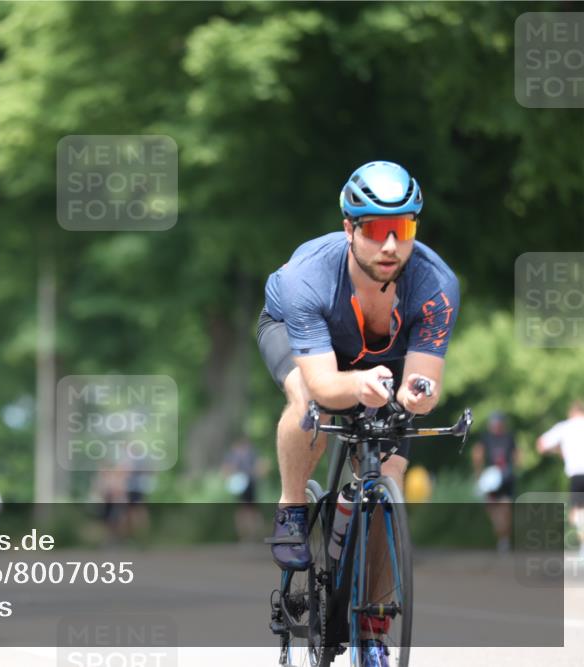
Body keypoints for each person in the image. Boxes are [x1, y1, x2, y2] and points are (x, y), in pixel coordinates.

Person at [256, 161, 460, 666]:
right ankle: (291, 509)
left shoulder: (436, 286)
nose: (390, 245)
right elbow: (327, 384)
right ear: (350, 229)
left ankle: (371, 631)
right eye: (374, 230)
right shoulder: (307, 278)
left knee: (389, 476)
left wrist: (416, 395)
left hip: (382, 361)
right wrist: (357, 386)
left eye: (403, 229)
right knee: (307, 401)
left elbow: (424, 382)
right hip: (303, 338)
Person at [536, 400, 584, 560]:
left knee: (577, 512)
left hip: (577, 474)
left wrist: (559, 450)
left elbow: (541, 445)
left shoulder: (565, 427)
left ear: (571, 412)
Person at [471, 411, 521, 552]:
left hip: (505, 478)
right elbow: (478, 454)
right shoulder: (486, 438)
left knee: (504, 509)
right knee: (494, 509)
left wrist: (514, 470)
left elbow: (516, 455)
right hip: (492, 479)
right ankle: (503, 537)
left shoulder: (508, 437)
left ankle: (503, 538)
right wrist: (479, 474)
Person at [221, 438, 268, 543]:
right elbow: (225, 470)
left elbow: (262, 467)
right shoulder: (233, 456)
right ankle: (246, 537)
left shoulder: (252, 454)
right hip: (239, 486)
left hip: (251, 485)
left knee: (252, 511)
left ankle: (255, 535)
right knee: (242, 512)